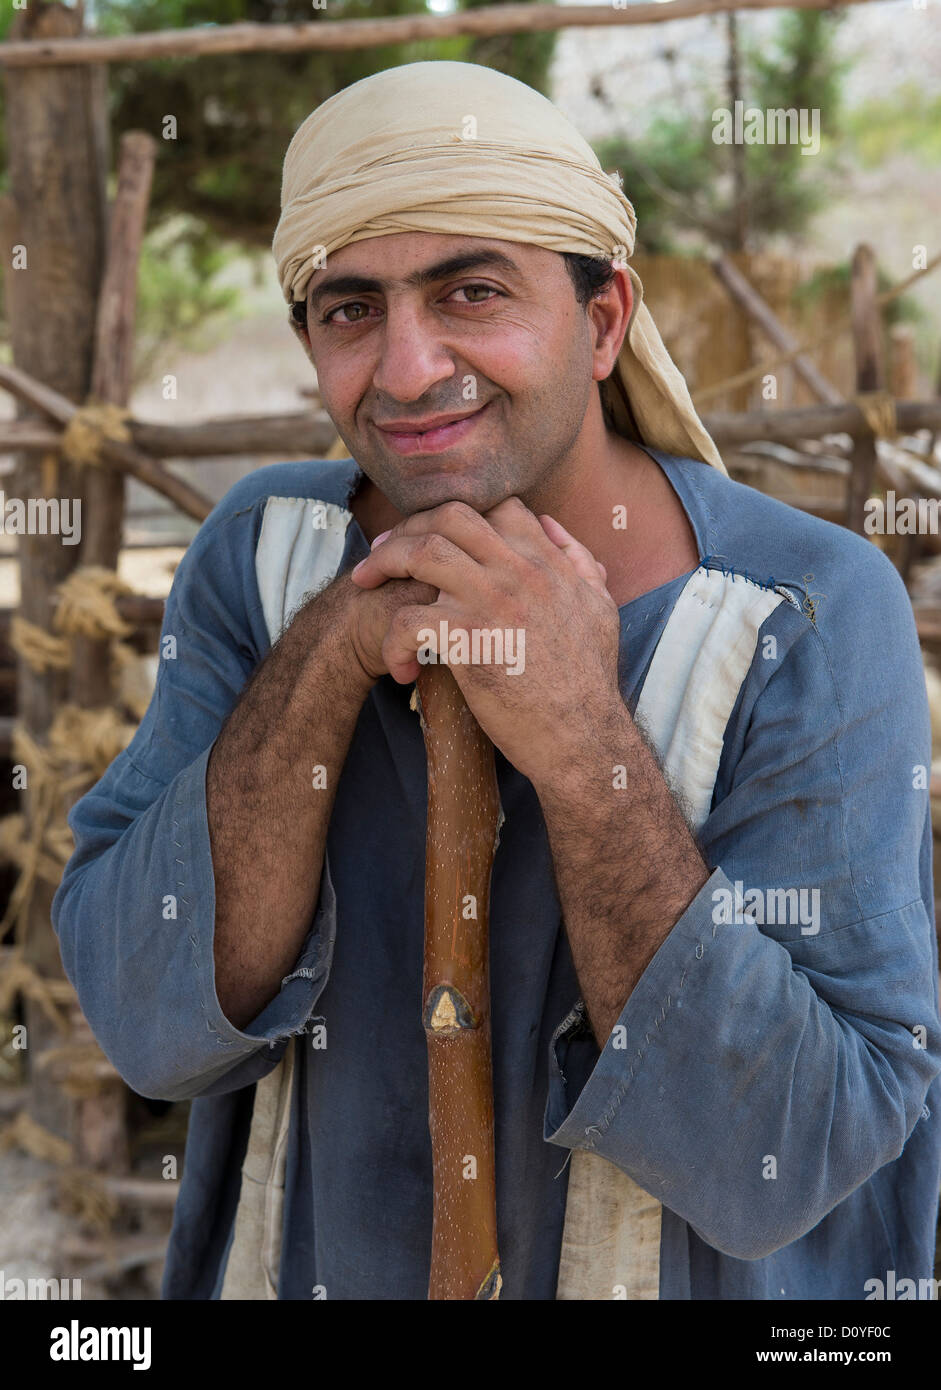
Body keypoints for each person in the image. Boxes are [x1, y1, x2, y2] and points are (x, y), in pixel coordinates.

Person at [52, 60, 940, 1301]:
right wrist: (328, 650)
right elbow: (144, 1018)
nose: (409, 369)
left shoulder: (801, 611)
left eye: (470, 291)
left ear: (603, 319)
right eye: (349, 309)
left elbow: (783, 1157)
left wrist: (583, 737)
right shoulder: (265, 562)